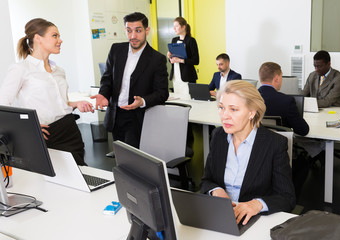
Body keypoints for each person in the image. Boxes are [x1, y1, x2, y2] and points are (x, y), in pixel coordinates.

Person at [200, 80, 295, 225]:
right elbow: (207, 180)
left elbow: (287, 197)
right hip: (220, 215)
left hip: (253, 220)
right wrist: (216, 190)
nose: (224, 115)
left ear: (252, 112)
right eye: (221, 107)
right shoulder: (218, 136)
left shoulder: (274, 144)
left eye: (233, 109)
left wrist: (256, 204)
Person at [0, 18, 93, 165]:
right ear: (38, 38)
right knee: (49, 180)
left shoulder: (59, 71)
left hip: (70, 130)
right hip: (45, 135)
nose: (60, 40)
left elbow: (57, 102)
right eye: (55, 35)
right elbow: (3, 105)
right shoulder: (21, 70)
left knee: (79, 173)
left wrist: (75, 103)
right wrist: (27, 127)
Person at [91, 12, 168, 157]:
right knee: (120, 158)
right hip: (115, 114)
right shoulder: (116, 50)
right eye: (129, 30)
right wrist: (103, 94)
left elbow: (162, 92)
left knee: (133, 160)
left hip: (137, 117)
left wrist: (142, 101)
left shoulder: (157, 59)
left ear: (147, 30)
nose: (133, 36)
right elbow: (107, 78)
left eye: (138, 31)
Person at [258, 62, 309, 136]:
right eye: (281, 77)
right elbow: (303, 130)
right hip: (279, 145)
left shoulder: (248, 99)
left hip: (255, 145)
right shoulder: (286, 101)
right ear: (276, 79)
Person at [167, 17, 199, 83]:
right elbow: (171, 60)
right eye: (173, 26)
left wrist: (180, 60)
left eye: (176, 26)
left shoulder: (191, 40)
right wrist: (169, 57)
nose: (174, 28)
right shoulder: (174, 40)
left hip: (187, 76)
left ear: (183, 27)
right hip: (175, 75)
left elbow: (196, 61)